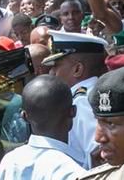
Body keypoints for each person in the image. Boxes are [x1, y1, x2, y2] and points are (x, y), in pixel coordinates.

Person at [42, 31, 108, 167]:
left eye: (56, 66)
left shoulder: (82, 102)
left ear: (77, 69)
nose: (51, 72)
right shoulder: (92, 93)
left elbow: (98, 155)